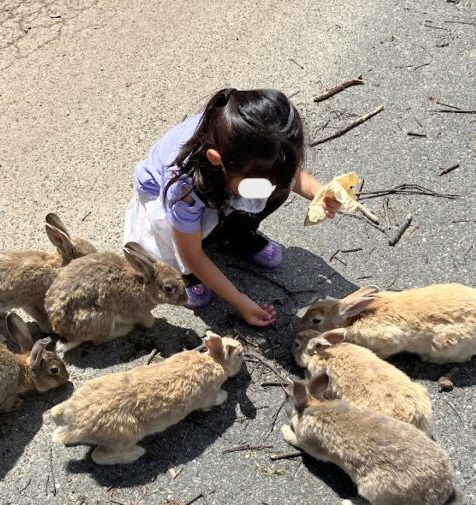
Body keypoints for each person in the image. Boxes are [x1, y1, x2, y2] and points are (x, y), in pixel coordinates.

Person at [125, 88, 340, 327]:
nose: (269, 187)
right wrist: (240, 300)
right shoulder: (183, 187)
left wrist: (318, 192)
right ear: (218, 160)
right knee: (183, 239)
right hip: (175, 198)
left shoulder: (253, 152)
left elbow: (285, 175)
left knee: (276, 189)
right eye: (262, 182)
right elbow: (192, 253)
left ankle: (238, 234)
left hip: (227, 183)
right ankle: (188, 275)